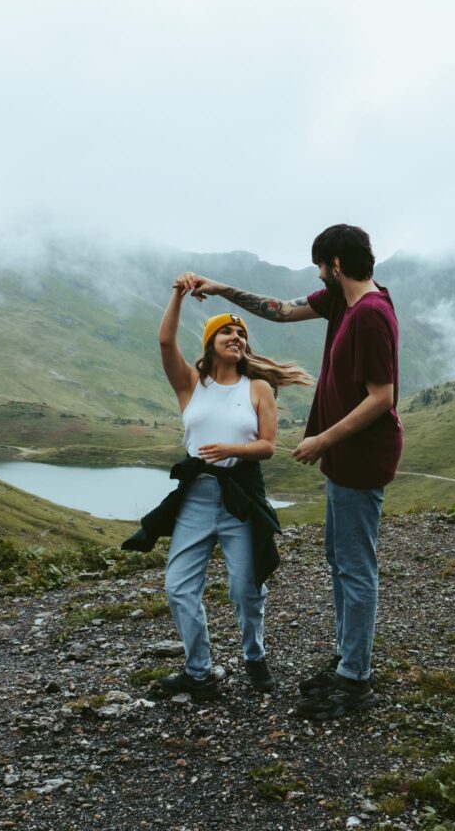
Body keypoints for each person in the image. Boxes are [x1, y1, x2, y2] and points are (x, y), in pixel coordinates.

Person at [182, 224, 403, 719]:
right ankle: (348, 660)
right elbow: (280, 311)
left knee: (355, 566)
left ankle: (355, 680)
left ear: (336, 265)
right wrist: (220, 288)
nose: (318, 274)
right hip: (344, 459)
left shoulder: (369, 314)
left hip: (360, 457)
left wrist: (322, 439)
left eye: (320, 266)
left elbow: (381, 398)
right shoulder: (343, 301)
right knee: (340, 559)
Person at [122, 274, 312, 700]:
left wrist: (231, 449)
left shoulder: (258, 387)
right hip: (195, 498)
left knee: (246, 588)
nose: (236, 337)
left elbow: (267, 446)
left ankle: (254, 655)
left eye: (241, 334)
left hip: (239, 500)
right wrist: (177, 294)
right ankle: (199, 672)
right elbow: (166, 342)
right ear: (210, 342)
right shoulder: (191, 384)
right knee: (178, 587)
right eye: (226, 331)